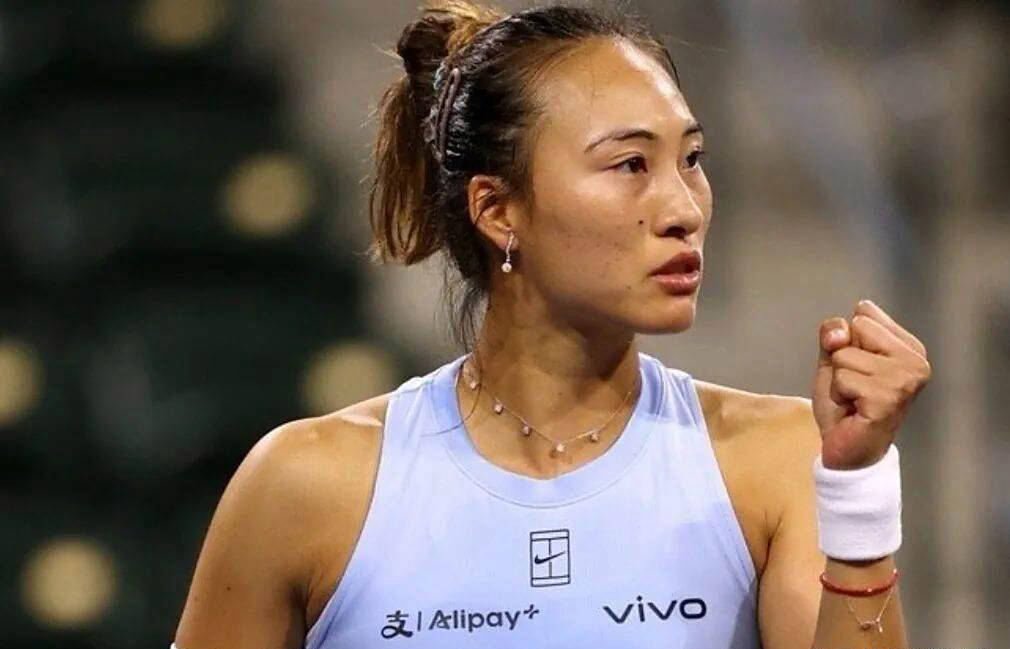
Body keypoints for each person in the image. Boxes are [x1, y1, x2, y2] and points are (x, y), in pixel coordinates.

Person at [172, 2, 931, 648]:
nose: (684, 209)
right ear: (498, 210)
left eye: (692, 159)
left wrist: (856, 491)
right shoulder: (302, 486)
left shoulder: (781, 461)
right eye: (630, 164)